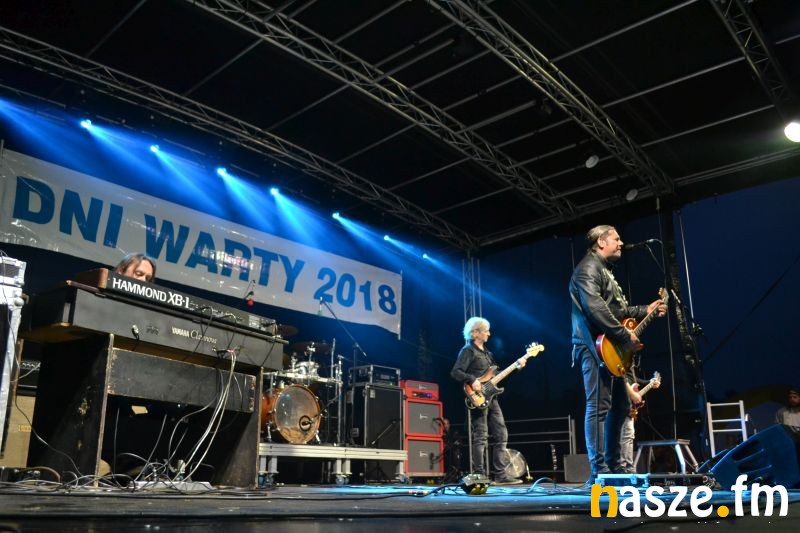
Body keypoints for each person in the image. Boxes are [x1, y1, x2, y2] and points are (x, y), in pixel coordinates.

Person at [569, 225, 666, 484]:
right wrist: (625, 337)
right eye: (616, 238)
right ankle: (598, 471)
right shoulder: (588, 269)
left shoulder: (604, 271)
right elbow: (596, 310)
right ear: (601, 242)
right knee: (598, 407)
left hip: (611, 348)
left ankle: (616, 468)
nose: (621, 243)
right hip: (594, 347)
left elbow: (617, 311)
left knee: (621, 406)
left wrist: (646, 309)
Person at [451, 316, 525, 485]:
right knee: (481, 437)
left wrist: (517, 367)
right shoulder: (468, 351)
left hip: (492, 398)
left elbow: (497, 376)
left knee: (501, 434)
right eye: (486, 331)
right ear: (476, 333)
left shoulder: (488, 354)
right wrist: (472, 380)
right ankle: (480, 475)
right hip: (477, 398)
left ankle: (500, 475)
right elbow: (456, 372)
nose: (489, 334)